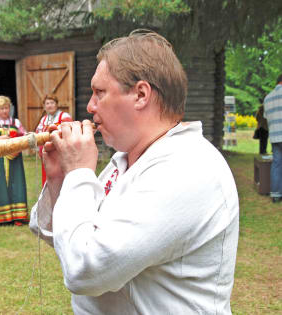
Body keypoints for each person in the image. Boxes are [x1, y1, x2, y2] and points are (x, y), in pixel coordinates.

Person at [29, 30, 239, 314]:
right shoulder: (126, 159)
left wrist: (79, 173)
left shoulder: (186, 167)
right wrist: (59, 181)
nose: (89, 106)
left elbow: (85, 270)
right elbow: (70, 240)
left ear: (141, 95)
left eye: (99, 93)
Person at [0, 96, 28, 225]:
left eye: (6, 108)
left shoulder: (16, 122)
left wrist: (18, 139)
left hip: (15, 159)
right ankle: (0, 217)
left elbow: (24, 136)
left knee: (16, 184)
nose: (4, 111)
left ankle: (18, 216)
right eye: (1, 108)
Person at [35, 94, 72, 186]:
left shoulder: (64, 116)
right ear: (44, 106)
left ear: (56, 104)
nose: (50, 105)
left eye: (52, 103)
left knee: (61, 176)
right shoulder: (43, 119)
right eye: (47, 103)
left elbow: (68, 132)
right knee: (48, 177)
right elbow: (38, 133)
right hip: (47, 152)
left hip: (60, 151)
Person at [264, 74, 282, 203]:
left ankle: (276, 194)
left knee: (276, 164)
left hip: (275, 135)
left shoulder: (267, 98)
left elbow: (266, 117)